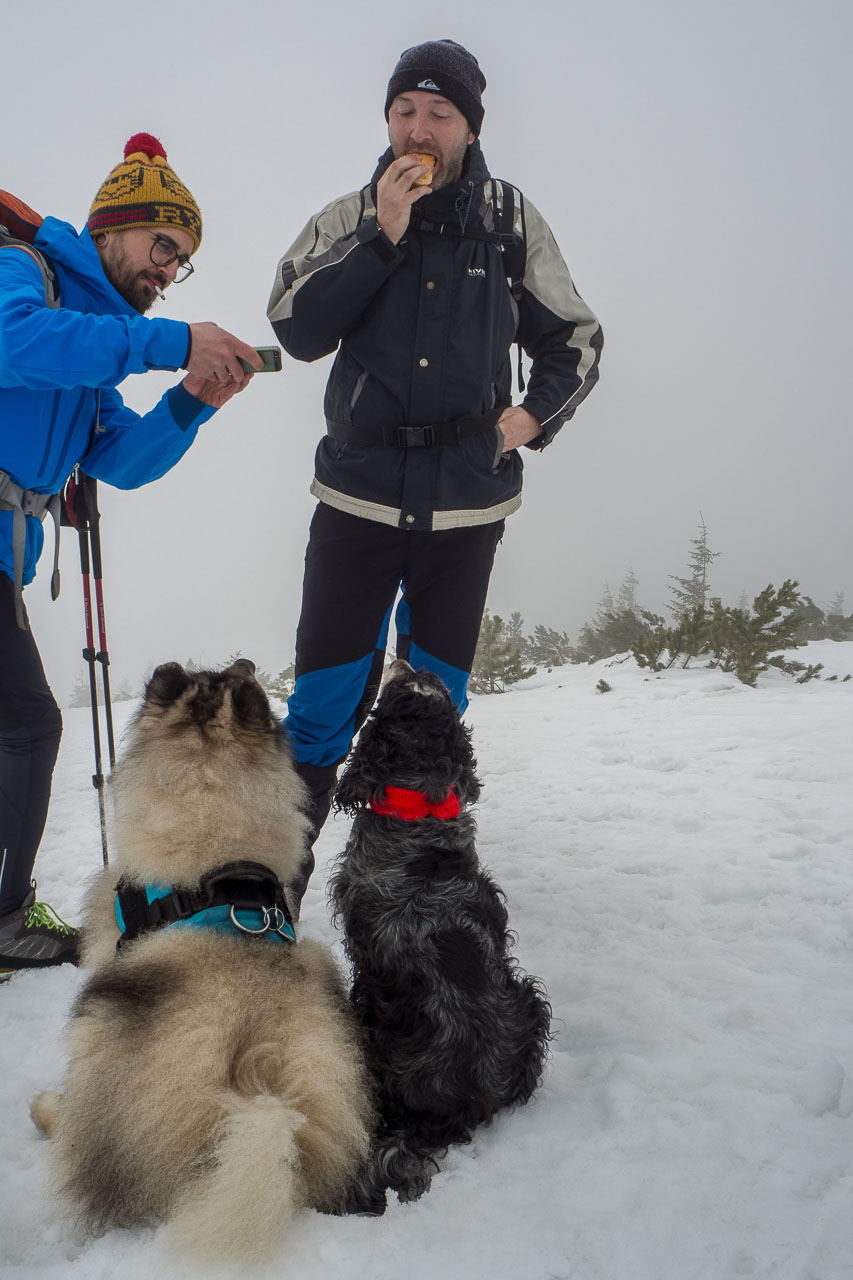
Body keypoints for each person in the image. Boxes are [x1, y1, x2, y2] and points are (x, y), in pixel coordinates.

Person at [267, 40, 603, 891]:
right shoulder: (349, 215)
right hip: (357, 502)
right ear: (387, 120)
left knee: (431, 718)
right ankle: (266, 913)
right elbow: (297, 328)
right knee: (316, 719)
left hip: (464, 513)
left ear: (467, 125)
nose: (419, 128)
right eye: (404, 111)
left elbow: (577, 340)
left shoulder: (508, 220)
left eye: (438, 113)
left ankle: (409, 915)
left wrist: (526, 420)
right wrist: (381, 234)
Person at [0, 133, 263, 977]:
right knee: (28, 726)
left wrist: (193, 400)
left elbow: (119, 461)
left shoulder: (99, 350)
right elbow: (14, 344)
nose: (167, 272)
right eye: (162, 246)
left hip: (7, 552)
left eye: (180, 262)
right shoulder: (23, 272)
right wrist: (173, 343)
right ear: (109, 230)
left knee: (17, 726)